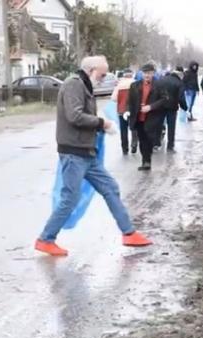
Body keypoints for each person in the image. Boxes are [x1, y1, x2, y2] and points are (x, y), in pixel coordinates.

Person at [35, 56, 153, 256]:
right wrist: (102, 123)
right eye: (102, 74)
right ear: (91, 70)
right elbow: (74, 116)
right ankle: (45, 239)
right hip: (73, 152)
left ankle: (129, 233)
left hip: (87, 152)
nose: (103, 78)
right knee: (70, 199)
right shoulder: (74, 85)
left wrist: (100, 126)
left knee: (110, 187)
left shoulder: (84, 85)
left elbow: (81, 116)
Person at [127, 62, 169, 171]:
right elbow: (130, 101)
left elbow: (165, 99)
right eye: (145, 73)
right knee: (142, 139)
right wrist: (127, 111)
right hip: (139, 117)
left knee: (149, 139)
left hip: (153, 118)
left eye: (149, 73)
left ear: (153, 73)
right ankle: (145, 161)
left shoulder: (159, 85)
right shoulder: (135, 86)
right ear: (142, 73)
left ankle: (147, 158)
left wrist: (150, 107)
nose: (147, 75)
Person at [160, 66, 188, 151]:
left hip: (160, 106)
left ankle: (156, 143)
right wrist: (185, 107)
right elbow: (181, 98)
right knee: (171, 127)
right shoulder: (179, 83)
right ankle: (170, 146)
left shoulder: (162, 79)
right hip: (172, 107)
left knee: (159, 124)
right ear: (180, 75)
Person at [110, 69, 137, 154]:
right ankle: (134, 144)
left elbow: (114, 98)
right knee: (134, 128)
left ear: (124, 75)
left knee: (123, 129)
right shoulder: (136, 83)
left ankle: (124, 148)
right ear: (131, 75)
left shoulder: (119, 85)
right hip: (133, 110)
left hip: (122, 110)